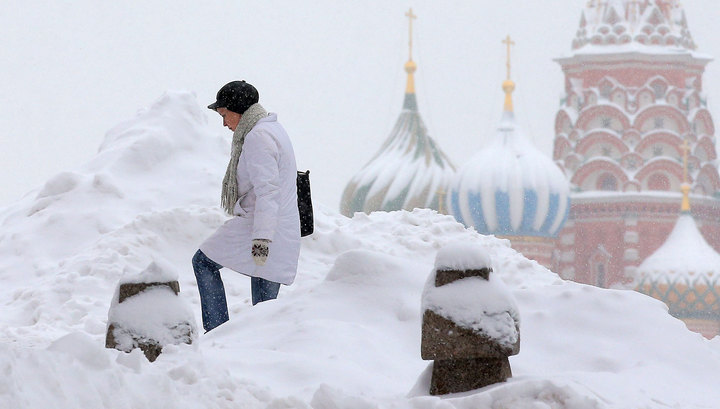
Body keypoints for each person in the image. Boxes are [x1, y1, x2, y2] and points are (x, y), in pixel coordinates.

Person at [192, 80, 301, 332]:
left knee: (203, 262)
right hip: (274, 227)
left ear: (237, 109)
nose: (224, 123)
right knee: (263, 313)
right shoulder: (271, 129)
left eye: (224, 114)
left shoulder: (257, 137)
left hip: (262, 228)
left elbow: (268, 192)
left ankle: (218, 332)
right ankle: (249, 348)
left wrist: (262, 239)